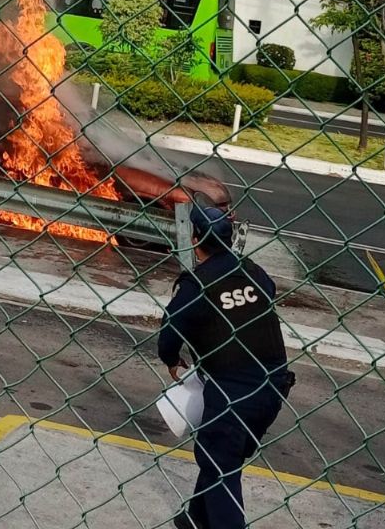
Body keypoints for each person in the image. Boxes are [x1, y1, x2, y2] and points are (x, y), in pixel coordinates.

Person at [158, 205, 292, 529]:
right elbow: (266, 294)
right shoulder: (253, 272)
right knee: (222, 457)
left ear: (194, 239)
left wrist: (172, 360)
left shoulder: (197, 285)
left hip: (232, 393)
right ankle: (195, 518)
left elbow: (170, 328)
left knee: (221, 466)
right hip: (274, 386)